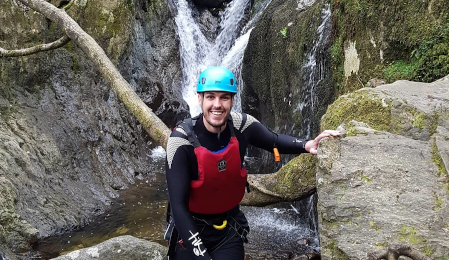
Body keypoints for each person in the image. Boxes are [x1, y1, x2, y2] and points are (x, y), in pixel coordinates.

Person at [164, 66, 340, 260]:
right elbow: (178, 206)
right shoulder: (180, 141)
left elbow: (273, 140)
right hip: (190, 231)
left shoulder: (241, 124)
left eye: (224, 97)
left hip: (227, 229)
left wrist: (307, 144)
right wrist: (201, 254)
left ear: (232, 101)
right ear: (200, 99)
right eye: (211, 97)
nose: (217, 104)